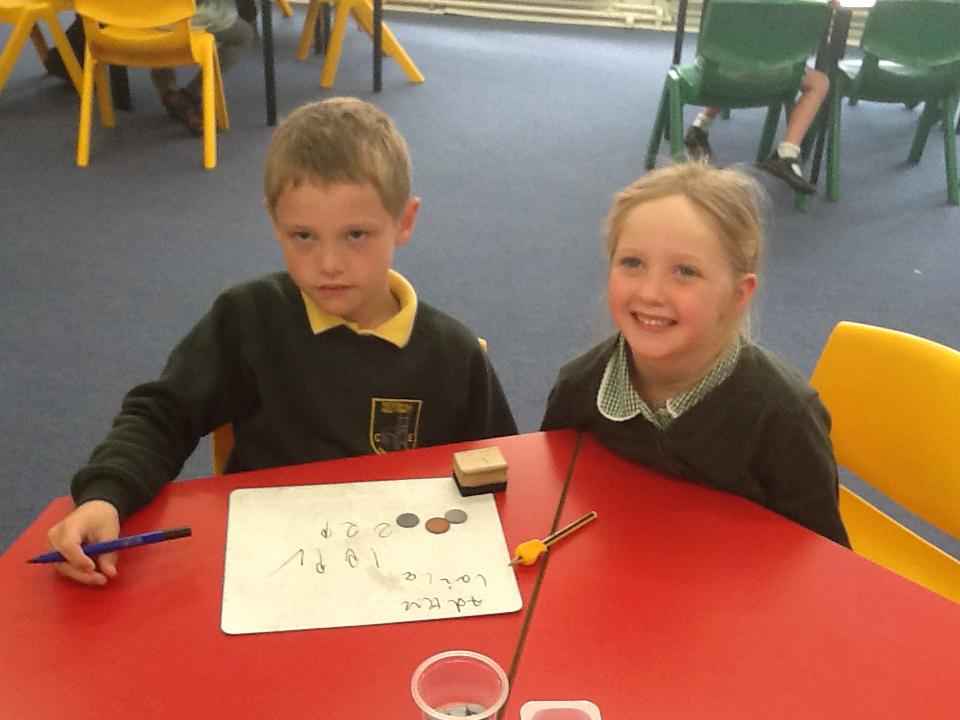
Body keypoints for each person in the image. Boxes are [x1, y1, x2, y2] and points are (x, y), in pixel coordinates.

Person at [46, 97, 519, 585]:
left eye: (356, 234)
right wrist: (105, 496)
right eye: (303, 236)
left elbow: (498, 472)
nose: (329, 264)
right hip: (269, 566)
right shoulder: (249, 319)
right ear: (274, 222)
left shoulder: (452, 354)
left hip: (406, 572)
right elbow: (162, 415)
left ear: (404, 221)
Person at [540, 163, 849, 546]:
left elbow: (819, 558)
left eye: (685, 271)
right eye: (633, 263)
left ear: (738, 294)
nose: (651, 293)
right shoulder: (578, 388)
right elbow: (555, 501)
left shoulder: (785, 419)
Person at [683, 67, 830, 195]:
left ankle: (700, 124)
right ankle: (787, 152)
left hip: (717, 74)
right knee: (819, 82)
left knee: (731, 59)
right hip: (777, 76)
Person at [151, 0, 255, 135]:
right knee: (244, 35)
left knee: (155, 35)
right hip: (184, 20)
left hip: (133, 23)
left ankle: (169, 92)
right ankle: (192, 92)